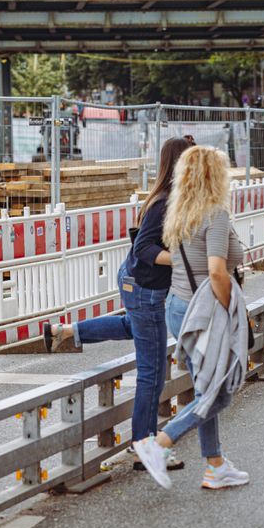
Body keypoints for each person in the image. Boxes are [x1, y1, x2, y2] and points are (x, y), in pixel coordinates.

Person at [44, 135, 195, 472]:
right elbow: (144, 248)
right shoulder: (164, 202)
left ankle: (67, 331)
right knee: (152, 371)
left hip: (139, 285)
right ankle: (144, 445)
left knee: (134, 327)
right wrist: (182, 261)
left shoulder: (174, 198)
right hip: (143, 286)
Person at [132, 145, 250, 490]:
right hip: (207, 310)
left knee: (205, 389)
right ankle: (159, 443)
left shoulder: (178, 213)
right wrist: (230, 308)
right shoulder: (215, 214)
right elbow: (216, 271)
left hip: (178, 306)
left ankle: (215, 465)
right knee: (219, 392)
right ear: (216, 175)